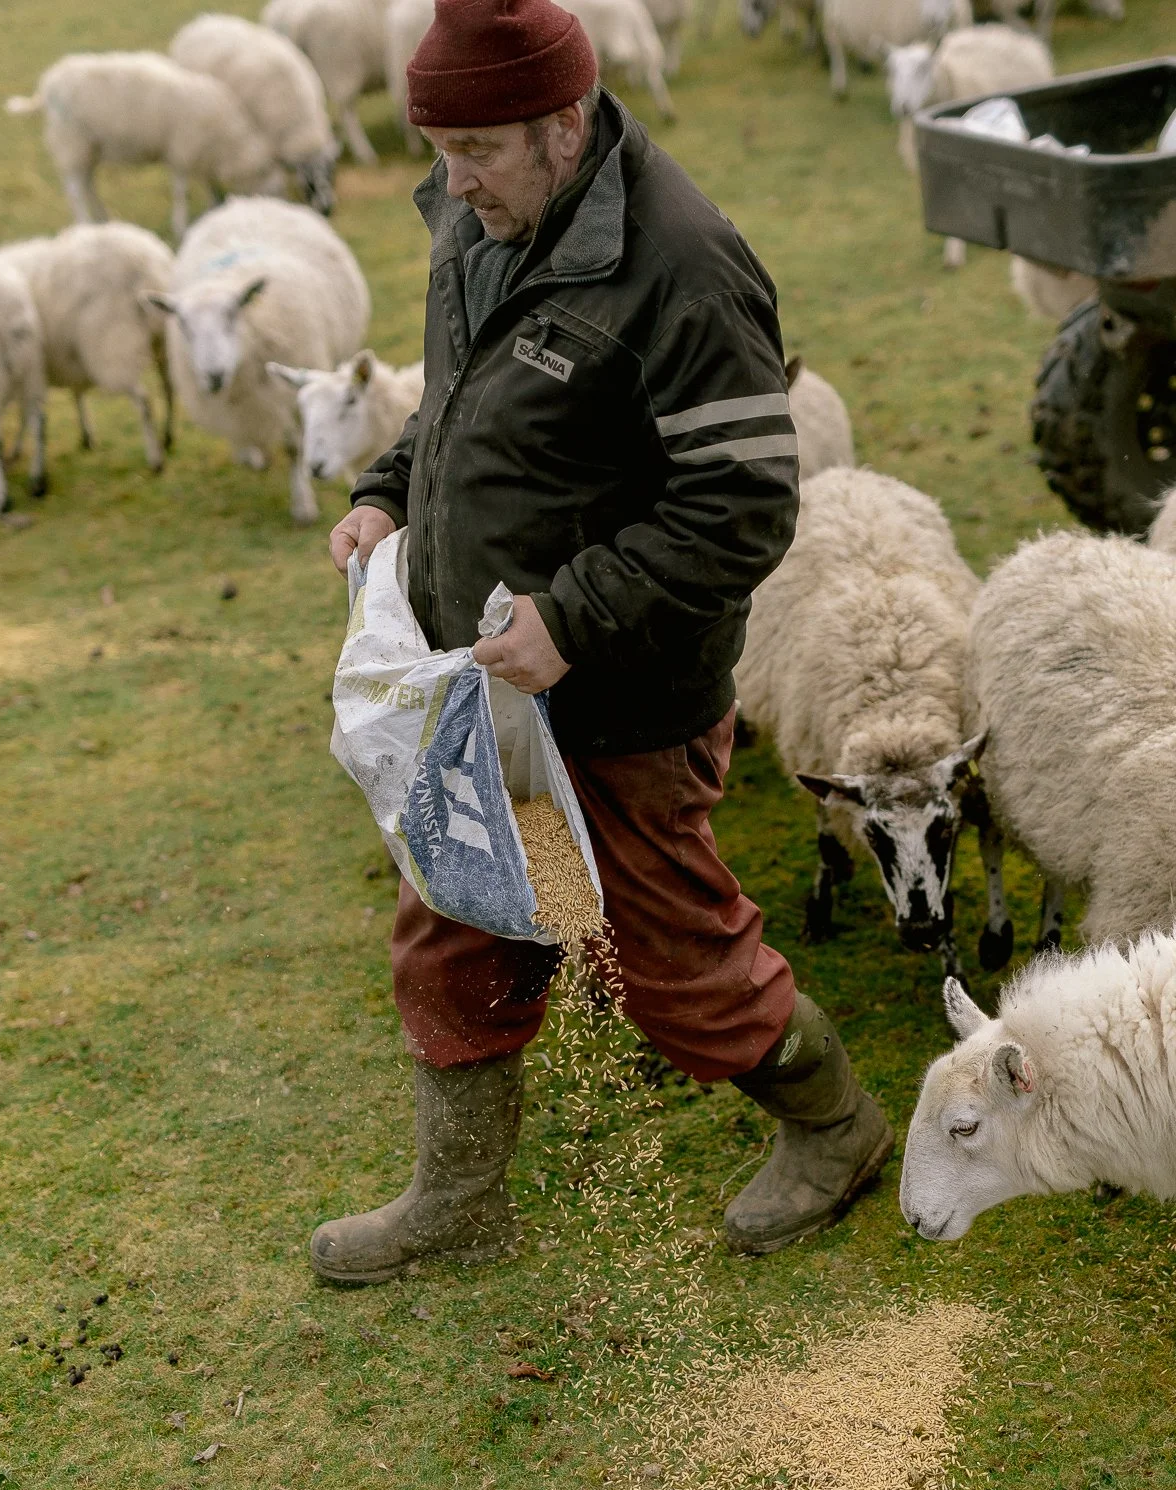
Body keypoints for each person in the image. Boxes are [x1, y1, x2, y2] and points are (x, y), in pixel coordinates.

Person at [314, 0, 893, 1284]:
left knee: (673, 963)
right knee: (457, 918)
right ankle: (457, 1202)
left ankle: (838, 1130)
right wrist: (388, 488)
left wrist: (572, 619)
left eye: (478, 150)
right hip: (488, 695)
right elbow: (463, 406)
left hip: (623, 700)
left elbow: (744, 505)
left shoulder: (682, 265)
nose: (451, 182)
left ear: (565, 123)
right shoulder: (483, 220)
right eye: (440, 146)